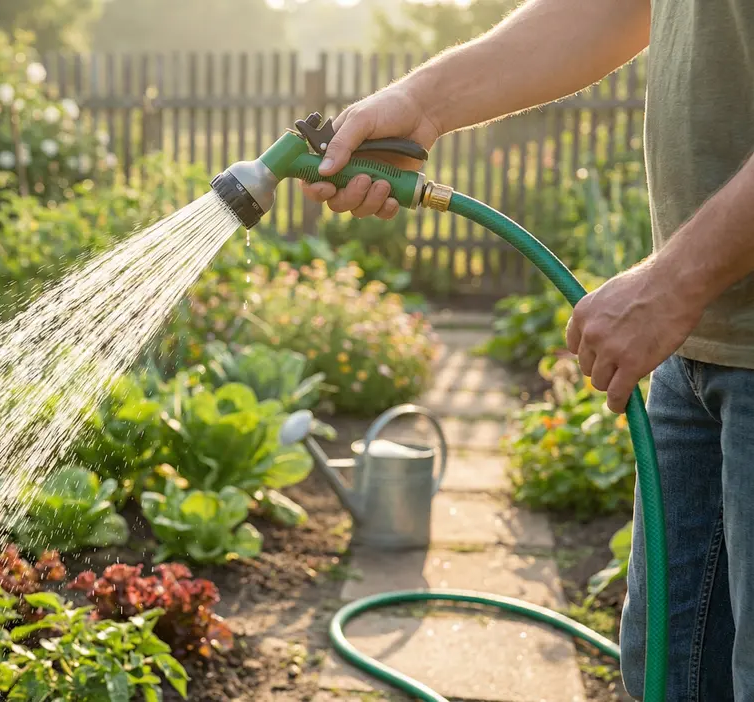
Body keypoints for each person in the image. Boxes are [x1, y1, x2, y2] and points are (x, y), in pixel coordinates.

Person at [302, 0, 754, 699]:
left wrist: (677, 275)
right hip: (698, 347)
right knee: (664, 674)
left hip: (700, 310)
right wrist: (419, 103)